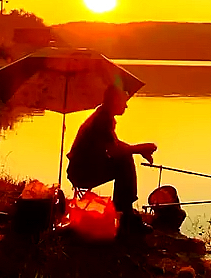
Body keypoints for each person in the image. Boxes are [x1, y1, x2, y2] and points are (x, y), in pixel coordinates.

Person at [66, 83, 157, 227]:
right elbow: (115, 151)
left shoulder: (104, 116)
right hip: (81, 173)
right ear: (115, 100)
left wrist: (139, 150)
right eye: (124, 102)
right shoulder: (102, 120)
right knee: (124, 161)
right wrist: (139, 148)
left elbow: (115, 144)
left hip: (84, 168)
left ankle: (124, 210)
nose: (126, 106)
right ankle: (125, 213)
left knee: (125, 157)